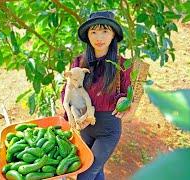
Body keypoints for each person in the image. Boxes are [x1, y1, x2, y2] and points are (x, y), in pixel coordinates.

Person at [61, 11, 133, 180]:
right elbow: (68, 91)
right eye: (93, 32)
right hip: (85, 125)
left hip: (108, 129)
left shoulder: (122, 64)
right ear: (87, 35)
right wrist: (71, 115)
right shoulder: (79, 62)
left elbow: (125, 92)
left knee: (85, 173)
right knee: (97, 170)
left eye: (105, 31)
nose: (99, 37)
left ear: (113, 34)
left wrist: (123, 100)